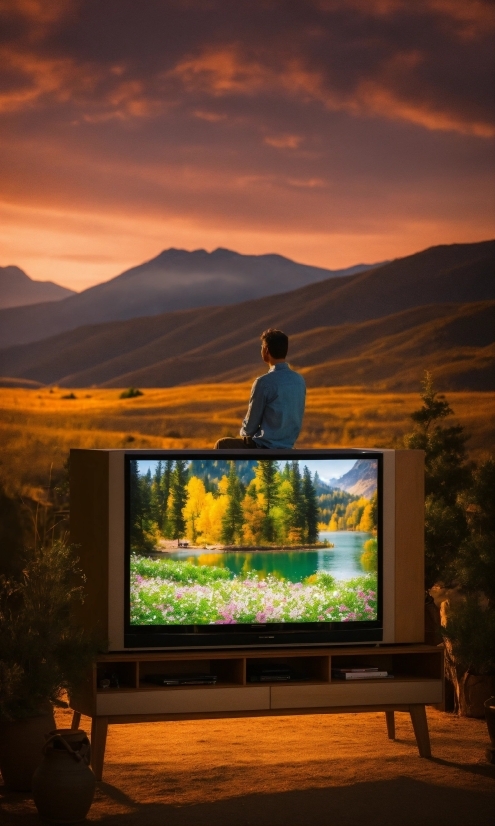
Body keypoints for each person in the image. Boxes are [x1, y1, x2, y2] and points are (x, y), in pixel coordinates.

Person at [214, 328, 306, 450]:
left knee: (222, 444)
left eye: (262, 347)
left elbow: (250, 427)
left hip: (264, 448)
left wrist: (244, 433)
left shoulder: (264, 382)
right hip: (289, 448)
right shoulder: (299, 380)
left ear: (266, 350)